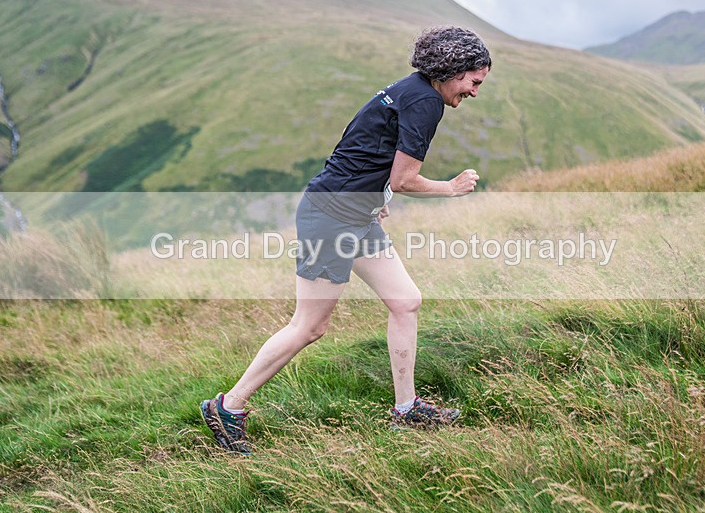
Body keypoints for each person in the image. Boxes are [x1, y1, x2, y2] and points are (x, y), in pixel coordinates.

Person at [201, 26, 491, 453]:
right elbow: (405, 176)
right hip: (331, 219)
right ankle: (229, 406)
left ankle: (407, 409)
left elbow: (358, 147)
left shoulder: (407, 90)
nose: (474, 92)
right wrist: (450, 187)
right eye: (474, 81)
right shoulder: (425, 101)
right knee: (309, 326)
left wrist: (376, 197)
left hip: (355, 215)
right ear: (452, 69)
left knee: (406, 300)